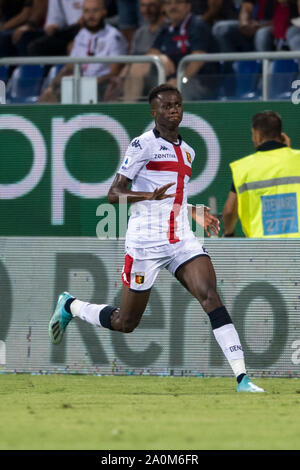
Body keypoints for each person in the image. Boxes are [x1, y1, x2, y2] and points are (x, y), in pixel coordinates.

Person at [49, 83, 264, 393]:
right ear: (154, 112)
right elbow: (113, 194)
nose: (173, 109)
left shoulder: (188, 151)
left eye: (177, 104)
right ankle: (71, 306)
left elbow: (172, 195)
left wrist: (192, 210)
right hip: (145, 244)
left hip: (181, 241)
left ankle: (243, 378)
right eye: (166, 106)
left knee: (210, 296)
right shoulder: (142, 145)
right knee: (126, 322)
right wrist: (148, 194)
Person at [222, 110, 300, 238]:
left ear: (258, 135)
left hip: (261, 249)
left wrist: (228, 233)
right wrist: (289, 152)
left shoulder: (243, 168)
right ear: (281, 135)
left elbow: (230, 210)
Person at [123, 0, 220, 102]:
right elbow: (151, 53)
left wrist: (180, 79)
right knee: (137, 67)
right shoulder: (167, 28)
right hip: (169, 80)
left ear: (188, 6)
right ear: (164, 8)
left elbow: (198, 59)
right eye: (168, 3)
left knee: (172, 90)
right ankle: (128, 110)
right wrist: (160, 58)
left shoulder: (197, 25)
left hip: (196, 81)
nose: (173, 7)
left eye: (178, 2)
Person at [38, 0, 127, 103]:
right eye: (86, 11)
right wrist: (54, 84)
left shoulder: (113, 36)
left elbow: (115, 72)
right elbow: (70, 67)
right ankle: (40, 117)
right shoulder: (81, 35)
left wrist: (90, 84)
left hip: (102, 85)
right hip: (80, 84)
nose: (90, 16)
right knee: (50, 92)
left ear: (104, 12)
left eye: (95, 11)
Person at [120, 0, 166, 102]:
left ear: (162, 6)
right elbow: (130, 61)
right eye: (143, 6)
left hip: (159, 78)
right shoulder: (140, 33)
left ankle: (128, 110)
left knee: (135, 70)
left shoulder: (168, 30)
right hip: (136, 80)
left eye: (152, 6)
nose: (147, 10)